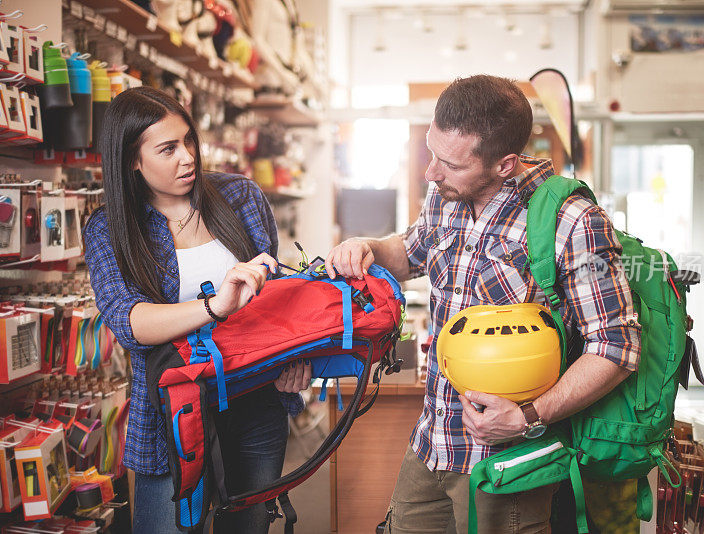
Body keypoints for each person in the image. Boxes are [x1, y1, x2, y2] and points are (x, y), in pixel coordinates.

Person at [325, 75, 641, 534]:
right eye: (431, 152)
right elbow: (411, 252)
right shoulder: (445, 198)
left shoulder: (572, 221)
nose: (430, 172)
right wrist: (365, 245)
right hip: (432, 441)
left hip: (508, 461)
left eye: (449, 163)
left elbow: (616, 345)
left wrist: (528, 416)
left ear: (504, 164)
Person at [83, 86, 313, 533]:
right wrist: (215, 306)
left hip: (258, 398)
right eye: (167, 148)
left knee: (248, 526)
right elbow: (130, 321)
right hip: (173, 411)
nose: (187, 157)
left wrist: (295, 358)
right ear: (132, 159)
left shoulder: (241, 197)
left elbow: (275, 299)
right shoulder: (109, 227)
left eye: (188, 141)